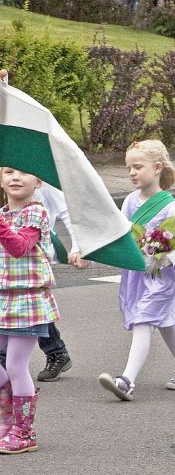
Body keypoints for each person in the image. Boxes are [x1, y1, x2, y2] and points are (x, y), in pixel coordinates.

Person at [97, 141, 175, 401]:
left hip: (165, 276)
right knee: (164, 323)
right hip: (139, 274)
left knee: (144, 320)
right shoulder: (130, 201)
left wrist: (166, 259)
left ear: (156, 168)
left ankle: (126, 380)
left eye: (138, 167)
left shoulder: (170, 206)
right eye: (129, 167)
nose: (132, 172)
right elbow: (121, 232)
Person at [0, 168, 58, 454]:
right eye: (9, 171)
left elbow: (20, 247)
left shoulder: (36, 212)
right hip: (1, 299)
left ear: (39, 181)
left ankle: (24, 433)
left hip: (27, 299)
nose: (16, 177)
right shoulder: (3, 213)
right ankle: (5, 424)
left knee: (15, 365)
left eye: (25, 172)